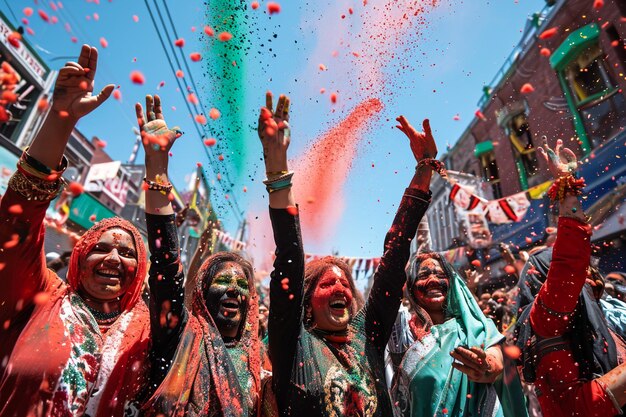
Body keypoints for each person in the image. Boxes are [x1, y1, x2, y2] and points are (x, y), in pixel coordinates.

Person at [261, 90, 436, 416]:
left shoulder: (367, 336)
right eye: (327, 284)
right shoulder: (295, 345)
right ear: (306, 303)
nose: (341, 288)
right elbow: (289, 258)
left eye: (344, 283)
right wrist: (276, 169)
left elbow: (395, 256)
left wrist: (424, 169)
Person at [0, 45, 151, 416]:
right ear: (80, 257)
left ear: (141, 271)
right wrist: (61, 118)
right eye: (101, 248)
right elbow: (17, 221)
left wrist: (158, 173)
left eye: (129, 253)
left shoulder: (150, 332)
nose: (114, 258)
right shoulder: (41, 297)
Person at [137, 95, 261, 416]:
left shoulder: (258, 365)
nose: (234, 289)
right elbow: (167, 267)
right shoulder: (181, 336)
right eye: (222, 281)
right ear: (203, 295)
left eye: (242, 285)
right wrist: (157, 172)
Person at [514, 138, 626, 416]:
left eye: (589, 273)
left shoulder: (599, 320)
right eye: (579, 273)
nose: (584, 277)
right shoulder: (545, 319)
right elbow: (567, 267)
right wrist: (566, 191)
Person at [387, 252, 528, 417]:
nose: (432, 280)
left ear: (452, 283)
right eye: (423, 276)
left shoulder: (477, 327)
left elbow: (497, 358)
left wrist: (486, 366)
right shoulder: (403, 335)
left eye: (440, 275)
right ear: (411, 288)